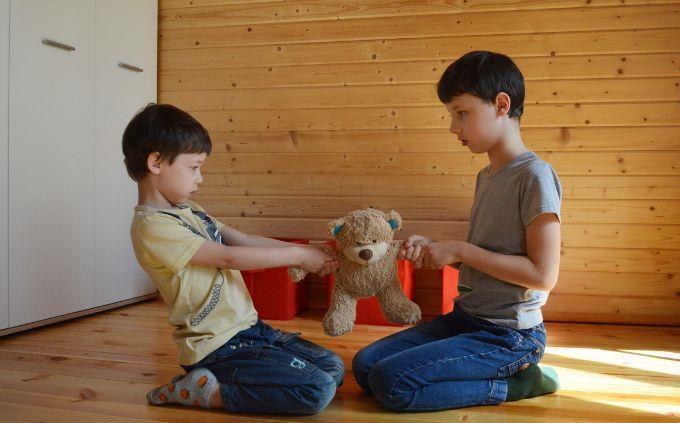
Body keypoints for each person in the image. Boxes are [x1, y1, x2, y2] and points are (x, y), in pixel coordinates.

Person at [352, 51, 562, 411]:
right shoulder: (487, 177)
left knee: (392, 383)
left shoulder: (535, 176)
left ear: (501, 105)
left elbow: (543, 276)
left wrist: (460, 250)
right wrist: (439, 249)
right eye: (452, 115)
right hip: (466, 319)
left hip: (509, 335)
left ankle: (518, 384)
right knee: (364, 366)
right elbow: (489, 260)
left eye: (461, 113)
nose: (454, 127)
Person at [124, 103, 342, 414]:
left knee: (332, 368)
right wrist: (296, 255)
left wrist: (304, 252)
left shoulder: (191, 211)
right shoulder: (152, 227)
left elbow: (242, 240)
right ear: (157, 162)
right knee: (316, 390)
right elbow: (226, 257)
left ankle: (218, 381)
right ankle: (206, 392)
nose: (200, 178)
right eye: (194, 166)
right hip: (217, 347)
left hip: (251, 330)